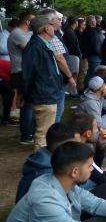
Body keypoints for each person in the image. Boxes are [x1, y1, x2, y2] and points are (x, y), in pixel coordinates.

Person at [22, 15, 64, 149]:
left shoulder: (42, 44)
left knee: (45, 133)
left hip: (48, 93)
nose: (54, 28)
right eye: (52, 25)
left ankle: (43, 163)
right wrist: (27, 95)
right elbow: (29, 74)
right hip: (44, 95)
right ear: (46, 28)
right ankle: (40, 167)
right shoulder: (35, 46)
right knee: (43, 134)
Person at [7, 11, 35, 144]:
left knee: (30, 102)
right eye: (34, 21)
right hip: (20, 71)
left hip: (27, 71)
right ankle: (26, 135)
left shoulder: (28, 33)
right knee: (27, 103)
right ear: (27, 22)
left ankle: (30, 132)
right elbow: (30, 50)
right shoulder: (17, 33)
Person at [80, 15, 102, 87]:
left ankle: (86, 88)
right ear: (93, 22)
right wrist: (99, 53)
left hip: (90, 55)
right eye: (95, 21)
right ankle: (87, 88)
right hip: (93, 55)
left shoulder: (87, 30)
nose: (96, 22)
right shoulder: (92, 31)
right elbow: (94, 45)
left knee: (90, 73)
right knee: (92, 73)